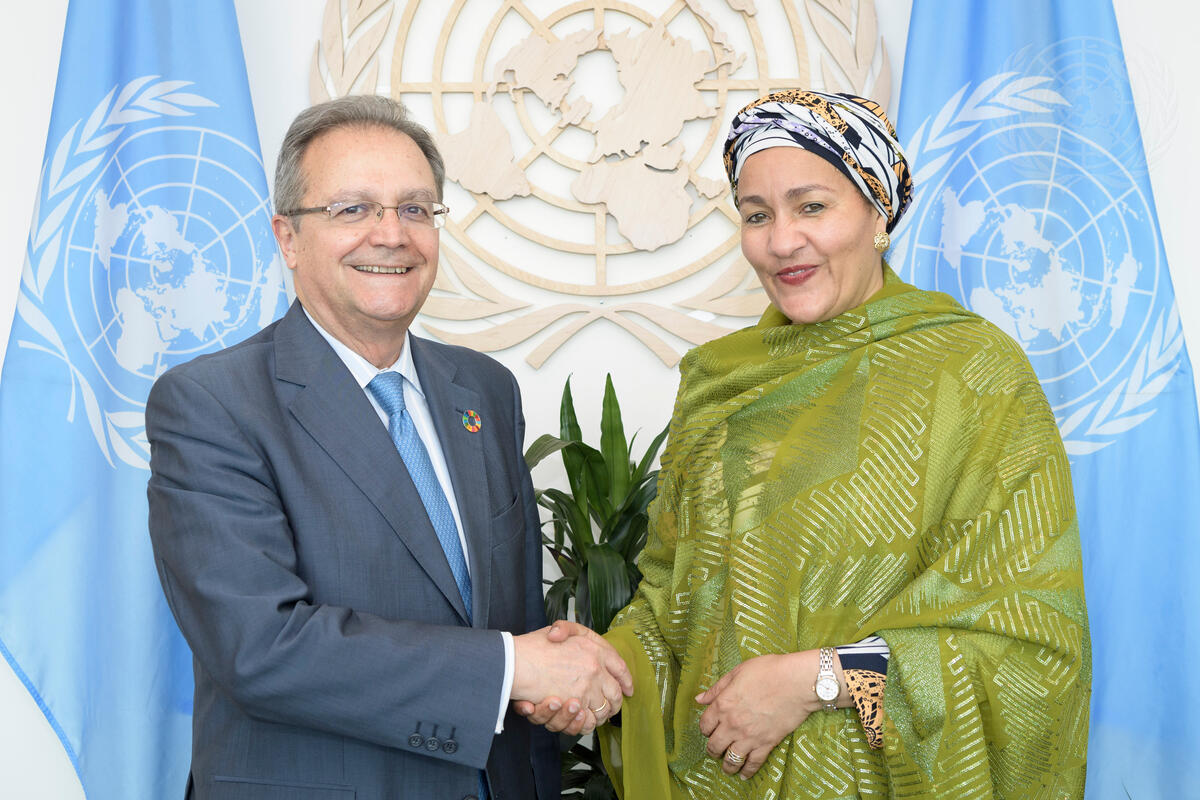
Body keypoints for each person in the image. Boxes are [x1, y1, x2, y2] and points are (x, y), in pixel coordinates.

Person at [523, 90, 1091, 798]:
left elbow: (1029, 646)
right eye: (757, 214)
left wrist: (814, 680)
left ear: (878, 214)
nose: (782, 241)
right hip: (716, 780)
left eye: (812, 207)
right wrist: (601, 669)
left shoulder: (975, 377)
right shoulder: (720, 383)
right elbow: (675, 601)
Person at [145, 95, 631, 800]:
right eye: (353, 209)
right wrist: (513, 670)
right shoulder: (210, 404)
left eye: (414, 208)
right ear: (287, 238)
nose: (391, 234)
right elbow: (260, 647)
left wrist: (551, 686)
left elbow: (511, 620)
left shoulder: (485, 390)